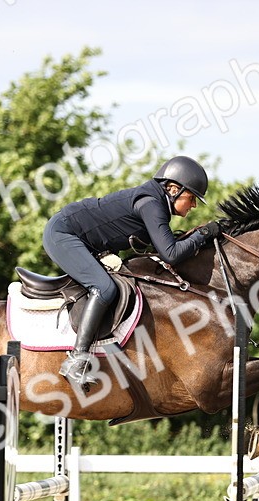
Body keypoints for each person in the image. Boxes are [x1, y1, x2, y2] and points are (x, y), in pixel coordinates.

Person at [42, 155, 222, 388]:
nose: (194, 205)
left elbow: (165, 250)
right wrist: (203, 234)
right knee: (104, 288)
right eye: (192, 197)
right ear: (173, 189)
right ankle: (77, 360)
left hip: (80, 238)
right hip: (63, 234)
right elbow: (171, 253)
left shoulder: (155, 203)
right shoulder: (151, 204)